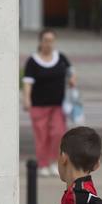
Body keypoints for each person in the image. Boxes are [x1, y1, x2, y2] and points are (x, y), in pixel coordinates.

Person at [22, 30, 76, 177]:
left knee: (58, 133)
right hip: (39, 106)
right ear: (40, 41)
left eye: (51, 40)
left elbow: (71, 71)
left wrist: (72, 80)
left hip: (58, 106)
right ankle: (43, 163)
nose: (49, 43)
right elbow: (27, 82)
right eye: (46, 40)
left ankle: (54, 162)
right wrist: (26, 99)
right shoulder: (33, 61)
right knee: (42, 135)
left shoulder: (61, 58)